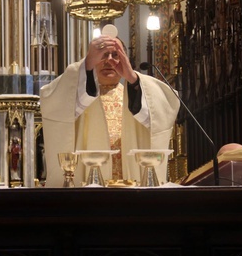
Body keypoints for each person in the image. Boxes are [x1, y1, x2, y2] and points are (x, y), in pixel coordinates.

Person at [40, 27, 180, 187]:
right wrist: (86, 65)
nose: (109, 61)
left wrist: (133, 79)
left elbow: (162, 114)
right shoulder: (79, 94)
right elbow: (55, 107)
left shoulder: (137, 93)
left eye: (116, 55)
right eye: (102, 55)